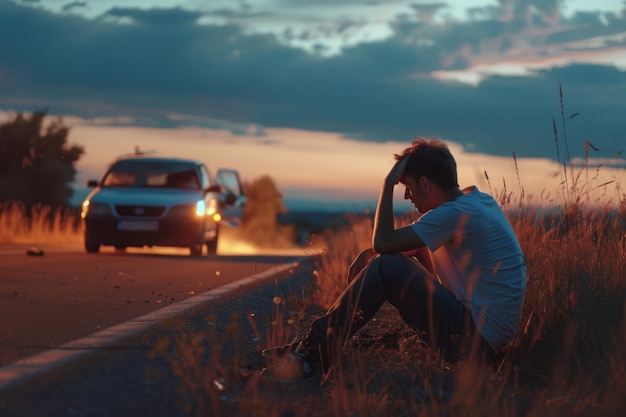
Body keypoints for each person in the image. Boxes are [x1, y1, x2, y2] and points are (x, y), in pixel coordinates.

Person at [263, 137, 527, 381]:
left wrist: (386, 184)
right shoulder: (475, 202)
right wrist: (371, 256)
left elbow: (384, 243)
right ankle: (311, 344)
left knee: (386, 265)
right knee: (384, 262)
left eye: (407, 187)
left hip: (473, 341)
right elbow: (406, 247)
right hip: (482, 338)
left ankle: (312, 356)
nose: (406, 196)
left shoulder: (454, 214)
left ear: (425, 184)